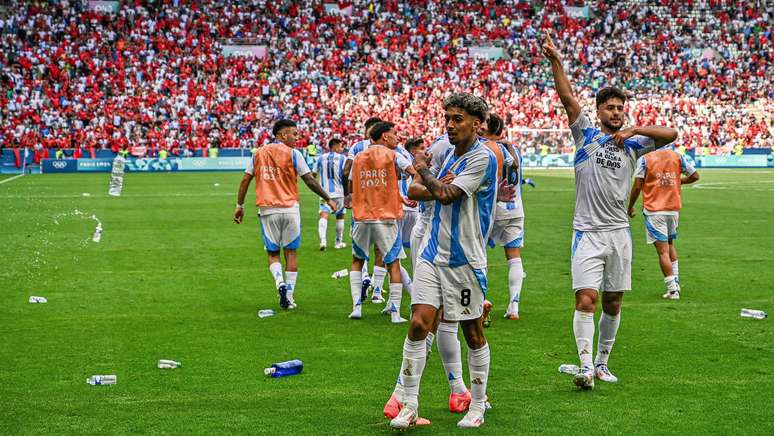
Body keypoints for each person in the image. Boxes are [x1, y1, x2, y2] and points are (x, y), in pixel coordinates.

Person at [543, 32, 678, 390]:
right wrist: (556, 60)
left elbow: (671, 133)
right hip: (587, 232)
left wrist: (634, 128)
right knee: (586, 297)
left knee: (614, 302)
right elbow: (567, 97)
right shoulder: (585, 133)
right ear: (599, 111)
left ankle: (603, 363)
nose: (616, 113)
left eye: (620, 109)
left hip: (619, 232)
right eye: (610, 108)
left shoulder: (634, 143)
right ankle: (585, 366)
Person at [388, 93, 498, 429]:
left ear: (477, 124)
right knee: (420, 323)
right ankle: (408, 404)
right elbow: (416, 191)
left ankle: (476, 406)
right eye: (447, 118)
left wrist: (426, 173)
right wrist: (433, 183)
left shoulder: (483, 158)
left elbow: (447, 195)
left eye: (457, 119)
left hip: (465, 260)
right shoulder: (446, 153)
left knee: (472, 331)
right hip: (432, 253)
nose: (449, 125)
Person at [234, 119, 338, 310]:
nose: (297, 138)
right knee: (291, 252)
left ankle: (279, 282)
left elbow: (245, 179)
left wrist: (239, 205)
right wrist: (328, 198)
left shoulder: (259, 153)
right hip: (290, 209)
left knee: (273, 253)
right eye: (294, 134)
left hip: (267, 210)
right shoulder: (294, 154)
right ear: (282, 135)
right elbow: (309, 180)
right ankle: (289, 296)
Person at [348, 121, 416, 323]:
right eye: (394, 133)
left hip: (362, 216)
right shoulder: (394, 155)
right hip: (386, 218)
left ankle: (356, 307)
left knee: (357, 261)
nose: (397, 137)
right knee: (393, 262)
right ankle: (395, 312)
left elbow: (354, 183)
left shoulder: (359, 157)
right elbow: (412, 171)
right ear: (384, 136)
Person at [627, 145, 699, 300]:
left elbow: (638, 185)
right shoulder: (676, 156)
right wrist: (679, 183)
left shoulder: (646, 158)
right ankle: (676, 283)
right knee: (670, 245)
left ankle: (672, 290)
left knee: (662, 251)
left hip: (655, 210)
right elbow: (694, 176)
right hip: (673, 209)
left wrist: (630, 205)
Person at [481, 113, 527, 320]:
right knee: (514, 256)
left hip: (492, 207)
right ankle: (514, 306)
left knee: (478, 252)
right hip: (515, 208)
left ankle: (479, 301)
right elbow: (516, 168)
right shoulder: (513, 149)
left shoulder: (484, 149)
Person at [344, 117, 383, 302]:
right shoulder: (387, 149)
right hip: (382, 205)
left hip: (361, 205)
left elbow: (346, 171)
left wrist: (349, 195)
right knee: (381, 249)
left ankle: (365, 278)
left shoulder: (357, 148)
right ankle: (377, 292)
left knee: (360, 248)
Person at [314, 138, 348, 251]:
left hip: (325, 193)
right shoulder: (343, 158)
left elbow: (313, 174)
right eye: (340, 146)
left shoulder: (320, 158)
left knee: (324, 215)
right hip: (340, 192)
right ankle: (338, 242)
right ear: (334, 146)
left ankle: (323, 241)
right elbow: (346, 174)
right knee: (340, 216)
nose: (341, 149)